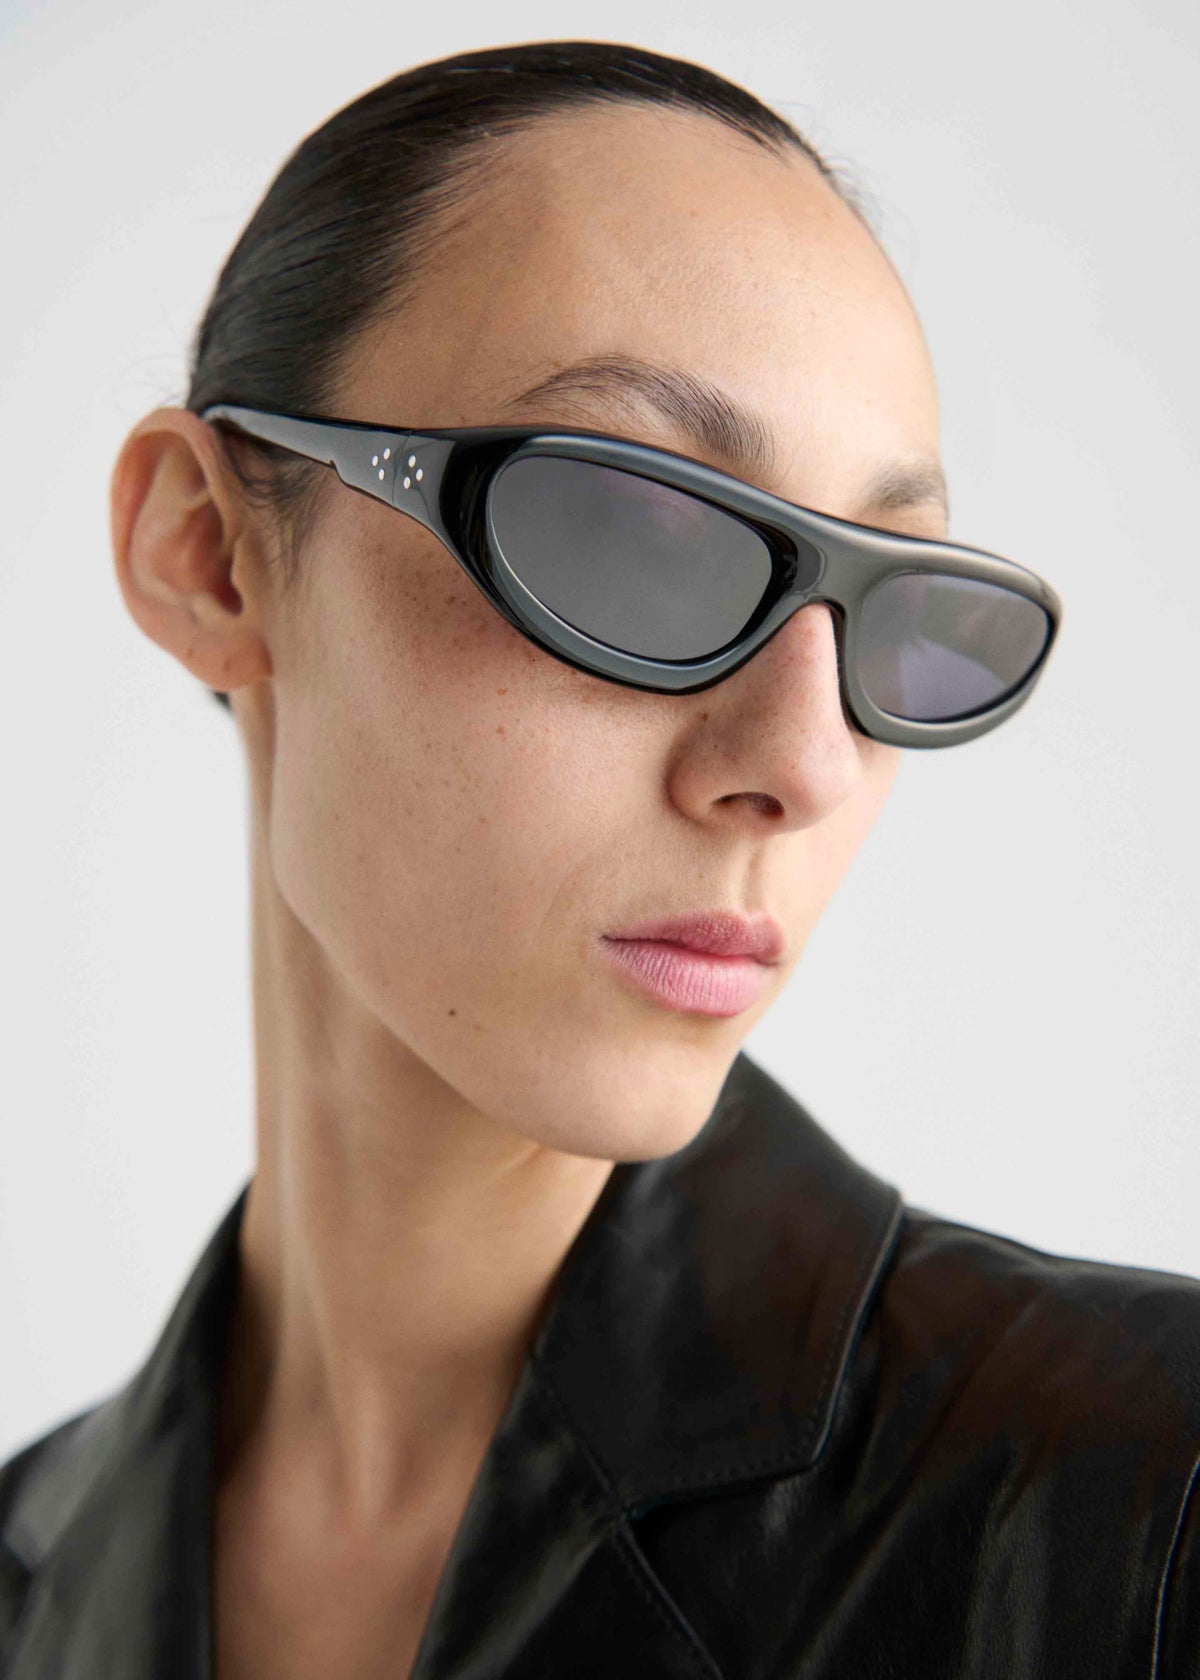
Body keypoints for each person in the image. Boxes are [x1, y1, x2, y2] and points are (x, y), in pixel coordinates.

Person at [0, 38, 1195, 1680]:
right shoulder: (29, 1585)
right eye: (641, 534)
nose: (802, 764)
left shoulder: (1144, 1506)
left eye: (895, 606)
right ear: (206, 553)